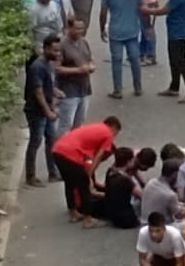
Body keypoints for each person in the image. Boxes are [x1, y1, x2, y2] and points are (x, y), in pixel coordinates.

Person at [51, 115, 121, 228]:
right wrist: (89, 174)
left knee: (70, 183)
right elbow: (99, 155)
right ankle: (88, 219)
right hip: (71, 154)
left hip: (58, 150)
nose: (114, 136)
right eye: (116, 133)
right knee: (84, 185)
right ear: (114, 127)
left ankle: (73, 213)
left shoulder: (95, 127)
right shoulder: (108, 133)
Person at [99, 0, 144, 99]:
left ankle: (117, 90)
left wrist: (102, 29)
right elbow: (141, 9)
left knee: (116, 60)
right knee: (135, 59)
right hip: (132, 29)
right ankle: (138, 87)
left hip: (116, 30)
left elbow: (103, 13)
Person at [23, 35, 61, 188]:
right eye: (54, 50)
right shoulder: (37, 66)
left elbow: (46, 85)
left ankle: (53, 173)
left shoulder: (48, 64)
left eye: (58, 50)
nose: (57, 53)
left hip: (46, 109)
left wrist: (55, 91)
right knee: (35, 141)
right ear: (45, 49)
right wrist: (48, 112)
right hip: (36, 111)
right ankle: (30, 176)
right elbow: (38, 91)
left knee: (51, 140)